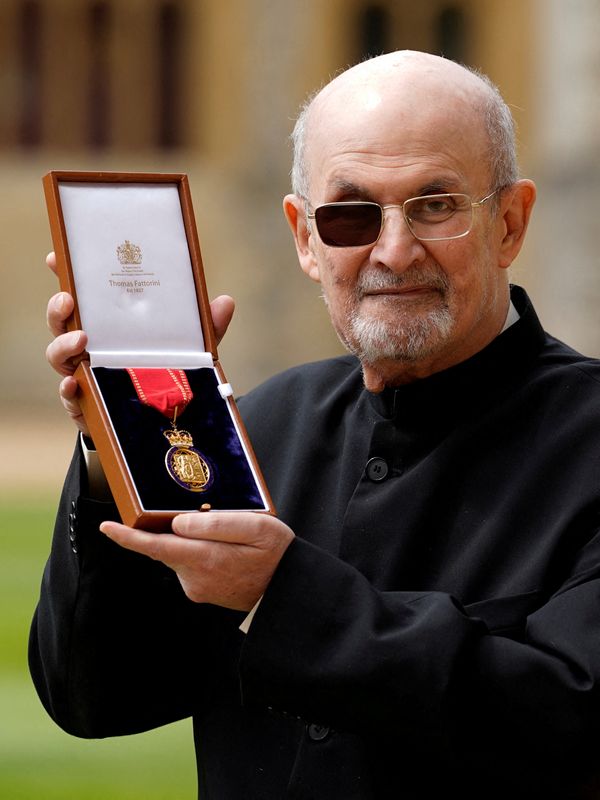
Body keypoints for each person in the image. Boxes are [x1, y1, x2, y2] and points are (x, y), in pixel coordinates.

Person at [30, 50, 600, 799]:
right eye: (350, 213)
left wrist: (282, 595)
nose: (393, 251)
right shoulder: (257, 427)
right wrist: (119, 439)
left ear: (509, 223)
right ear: (305, 237)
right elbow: (98, 698)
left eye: (435, 205)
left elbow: (572, 720)